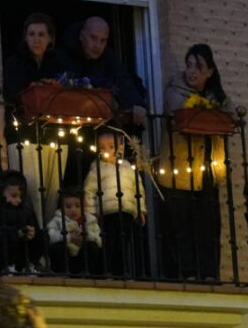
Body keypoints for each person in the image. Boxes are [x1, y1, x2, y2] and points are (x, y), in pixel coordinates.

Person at [159, 43, 235, 281]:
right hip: (179, 167)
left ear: (209, 72)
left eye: (198, 66)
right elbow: (180, 112)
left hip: (209, 169)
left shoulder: (218, 97)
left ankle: (209, 273)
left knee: (208, 225)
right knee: (181, 224)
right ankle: (186, 273)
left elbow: (232, 116)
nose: (191, 71)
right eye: (189, 65)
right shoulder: (175, 90)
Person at [3, 13, 69, 227]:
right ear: (25, 37)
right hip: (23, 132)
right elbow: (13, 92)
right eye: (32, 34)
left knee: (51, 190)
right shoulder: (15, 63)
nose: (36, 39)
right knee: (30, 190)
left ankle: (46, 237)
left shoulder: (59, 64)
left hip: (52, 133)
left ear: (50, 38)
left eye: (41, 34)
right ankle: (34, 239)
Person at [63, 16, 147, 128]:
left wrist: (136, 104)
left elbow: (123, 82)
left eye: (103, 40)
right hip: (67, 123)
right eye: (93, 38)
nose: (97, 45)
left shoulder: (109, 58)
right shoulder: (64, 55)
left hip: (98, 127)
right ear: (82, 36)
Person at [83, 129, 145, 277]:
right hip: (108, 212)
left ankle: (120, 271)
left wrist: (140, 209)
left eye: (111, 146)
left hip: (127, 211)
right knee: (109, 241)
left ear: (120, 148)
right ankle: (104, 270)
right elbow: (89, 191)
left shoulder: (128, 168)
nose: (107, 151)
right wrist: (91, 212)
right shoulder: (96, 169)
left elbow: (138, 189)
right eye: (102, 147)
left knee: (123, 243)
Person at [0, 168, 44, 274]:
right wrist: (16, 233)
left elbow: (32, 226)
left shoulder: (25, 211)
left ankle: (28, 264)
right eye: (14, 196)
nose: (18, 200)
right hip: (1, 254)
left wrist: (31, 232)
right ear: (0, 194)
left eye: (20, 196)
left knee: (43, 235)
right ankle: (8, 266)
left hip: (21, 251)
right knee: (7, 237)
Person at [45, 186, 103, 275]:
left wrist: (86, 236)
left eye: (77, 206)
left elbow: (99, 239)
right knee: (58, 247)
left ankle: (87, 272)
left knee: (92, 246)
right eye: (68, 206)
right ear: (62, 208)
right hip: (65, 260)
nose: (73, 210)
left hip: (82, 259)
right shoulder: (57, 220)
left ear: (83, 206)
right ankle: (62, 273)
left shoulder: (90, 221)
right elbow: (50, 236)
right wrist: (69, 237)